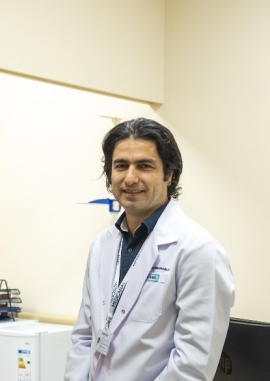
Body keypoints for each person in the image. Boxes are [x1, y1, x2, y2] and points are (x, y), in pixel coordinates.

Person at [64, 117, 236, 381]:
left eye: (144, 166)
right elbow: (85, 337)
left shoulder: (198, 251)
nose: (130, 178)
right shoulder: (101, 246)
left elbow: (191, 366)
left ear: (169, 174)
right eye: (121, 165)